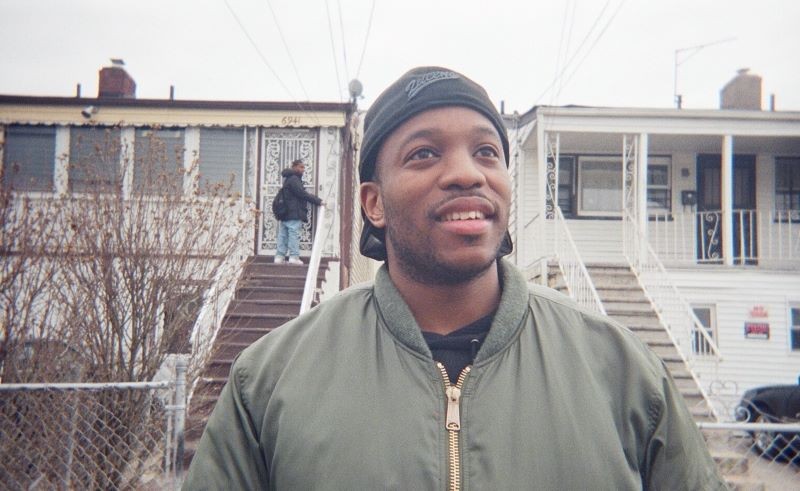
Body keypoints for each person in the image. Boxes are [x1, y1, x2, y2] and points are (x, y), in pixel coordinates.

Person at [183, 67, 726, 489]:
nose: (468, 172)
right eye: (424, 154)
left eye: (487, 151)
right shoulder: (270, 382)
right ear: (373, 203)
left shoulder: (624, 374)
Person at [274, 159, 323, 265]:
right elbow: (302, 194)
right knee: (293, 234)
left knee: (283, 234)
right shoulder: (294, 179)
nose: (303, 170)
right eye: (301, 167)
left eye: (303, 167)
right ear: (294, 167)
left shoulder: (288, 179)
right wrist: (319, 201)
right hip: (293, 212)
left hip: (285, 212)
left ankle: (279, 257)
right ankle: (294, 257)